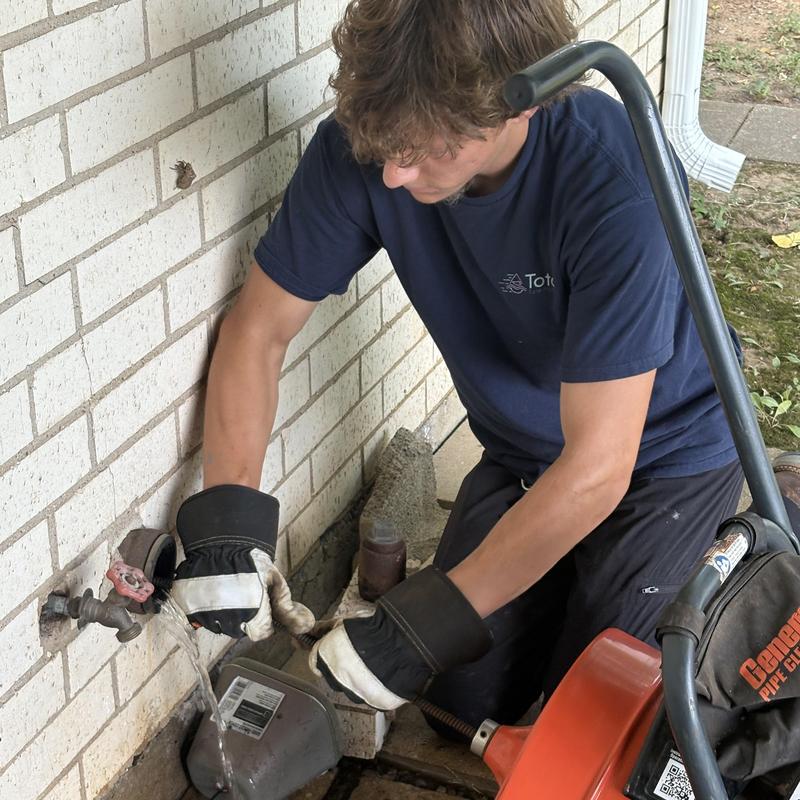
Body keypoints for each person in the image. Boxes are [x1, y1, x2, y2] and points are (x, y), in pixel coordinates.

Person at [171, 0, 800, 734]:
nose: (397, 176)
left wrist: (412, 630)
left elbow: (599, 469)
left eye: (425, 150)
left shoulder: (613, 178)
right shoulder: (373, 145)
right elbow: (257, 332)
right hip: (527, 452)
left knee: (597, 722)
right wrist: (227, 523)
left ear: (516, 105)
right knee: (450, 708)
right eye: (384, 149)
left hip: (665, 457)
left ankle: (778, 505)